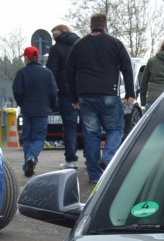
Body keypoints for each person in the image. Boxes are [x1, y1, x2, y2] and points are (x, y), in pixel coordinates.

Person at [64, 13, 135, 184]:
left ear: (90, 26)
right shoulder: (115, 43)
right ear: (106, 26)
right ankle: (109, 157)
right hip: (109, 94)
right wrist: (130, 93)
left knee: (91, 135)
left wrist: (74, 97)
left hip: (86, 97)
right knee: (116, 129)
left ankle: (95, 176)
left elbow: (69, 72)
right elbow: (127, 67)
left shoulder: (78, 45)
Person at [12, 46, 58, 177]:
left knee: (27, 137)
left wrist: (22, 103)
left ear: (26, 58)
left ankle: (28, 161)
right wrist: (51, 106)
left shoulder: (22, 73)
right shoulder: (47, 73)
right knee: (38, 138)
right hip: (42, 110)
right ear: (37, 58)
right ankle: (31, 158)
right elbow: (53, 91)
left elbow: (17, 91)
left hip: (27, 110)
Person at [46, 23, 81, 169]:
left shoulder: (56, 49)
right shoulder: (80, 45)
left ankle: (71, 160)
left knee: (69, 126)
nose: (54, 38)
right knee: (90, 127)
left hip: (66, 92)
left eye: (55, 35)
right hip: (85, 90)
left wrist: (53, 93)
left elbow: (51, 73)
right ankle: (93, 161)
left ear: (61, 34)